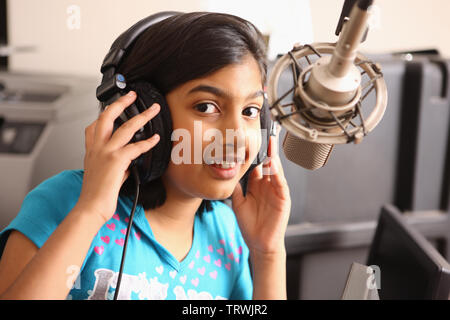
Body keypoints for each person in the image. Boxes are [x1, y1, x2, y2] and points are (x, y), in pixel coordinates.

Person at [0, 12, 291, 300]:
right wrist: (91, 212)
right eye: (206, 107)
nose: (237, 136)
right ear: (139, 115)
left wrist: (268, 252)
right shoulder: (65, 201)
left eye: (250, 111)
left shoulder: (227, 232)